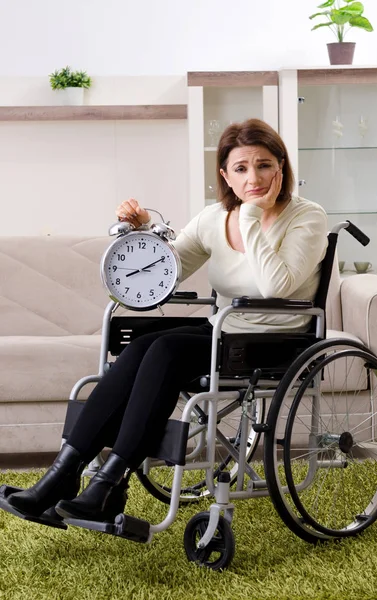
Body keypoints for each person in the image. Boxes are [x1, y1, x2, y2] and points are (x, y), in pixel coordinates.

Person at [4, 118, 328, 523]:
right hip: (225, 330)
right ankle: (62, 476)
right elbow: (166, 268)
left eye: (263, 165)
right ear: (225, 175)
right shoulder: (214, 219)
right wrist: (140, 235)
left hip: (277, 339)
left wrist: (249, 217)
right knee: (142, 346)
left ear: (281, 167)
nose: (254, 178)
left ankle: (109, 482)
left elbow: (276, 284)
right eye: (241, 168)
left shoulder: (307, 217)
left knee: (167, 349)